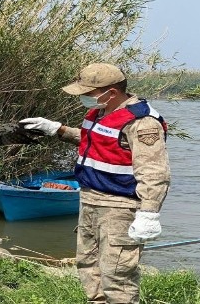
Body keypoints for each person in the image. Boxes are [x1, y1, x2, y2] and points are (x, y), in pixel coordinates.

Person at [19, 63, 170, 304]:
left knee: (117, 275)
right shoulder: (100, 112)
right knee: (89, 266)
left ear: (111, 92)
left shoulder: (142, 122)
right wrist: (57, 129)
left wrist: (149, 212)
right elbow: (96, 141)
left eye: (87, 93)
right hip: (89, 199)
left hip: (119, 206)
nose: (82, 98)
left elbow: (154, 171)